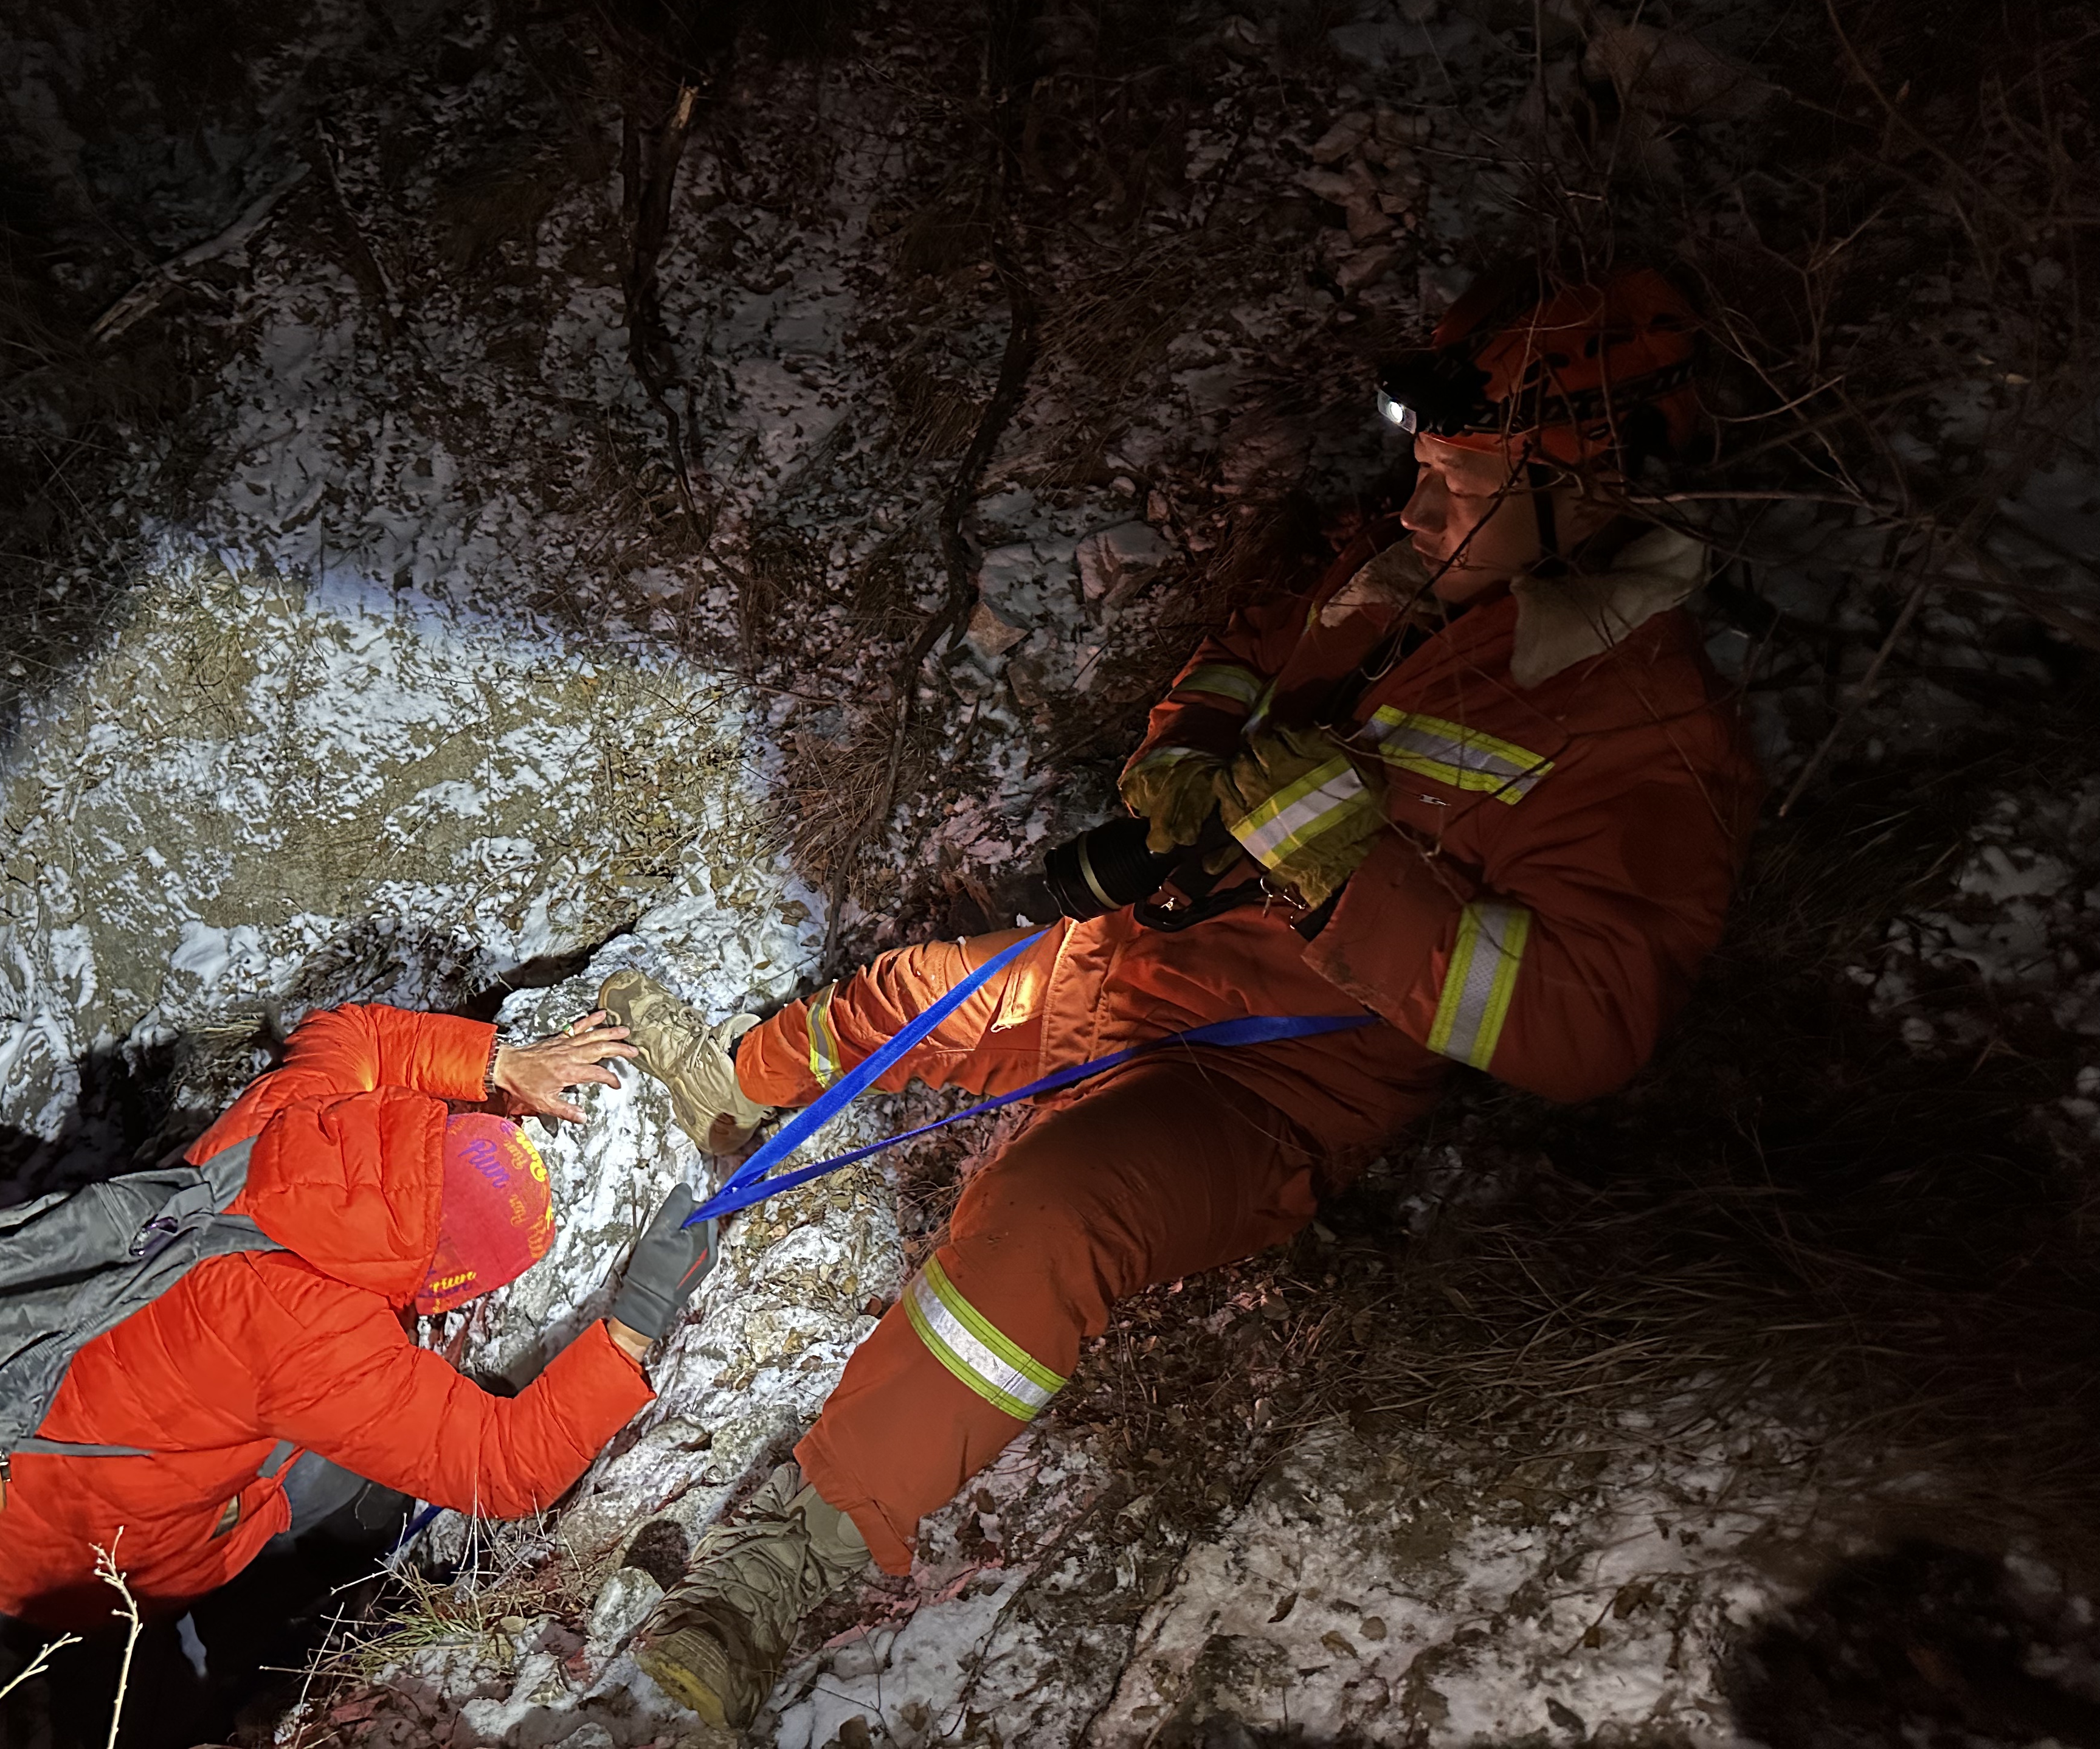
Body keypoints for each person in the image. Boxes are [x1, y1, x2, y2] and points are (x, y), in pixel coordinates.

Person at [599, 267, 1761, 1726]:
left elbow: (1593, 1026)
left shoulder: (1644, 736)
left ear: (1583, 488)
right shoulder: (1395, 583)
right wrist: (1183, 749)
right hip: (1124, 961)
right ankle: (734, 1096)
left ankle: (773, 1576)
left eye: (1456, 482)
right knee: (902, 997)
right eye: (1421, 473)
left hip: (1261, 1085)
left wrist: (1353, 880)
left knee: (1051, 1211)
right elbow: (1234, 661)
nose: (1414, 510)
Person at [0, 1000, 710, 1629]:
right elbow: (506, 1470)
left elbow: (349, 1030)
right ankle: (256, 1635)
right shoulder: (322, 1347)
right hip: (52, 1563)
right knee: (358, 1491)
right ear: (450, 1278)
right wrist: (634, 1322)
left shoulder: (296, 1114)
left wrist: (499, 1063)